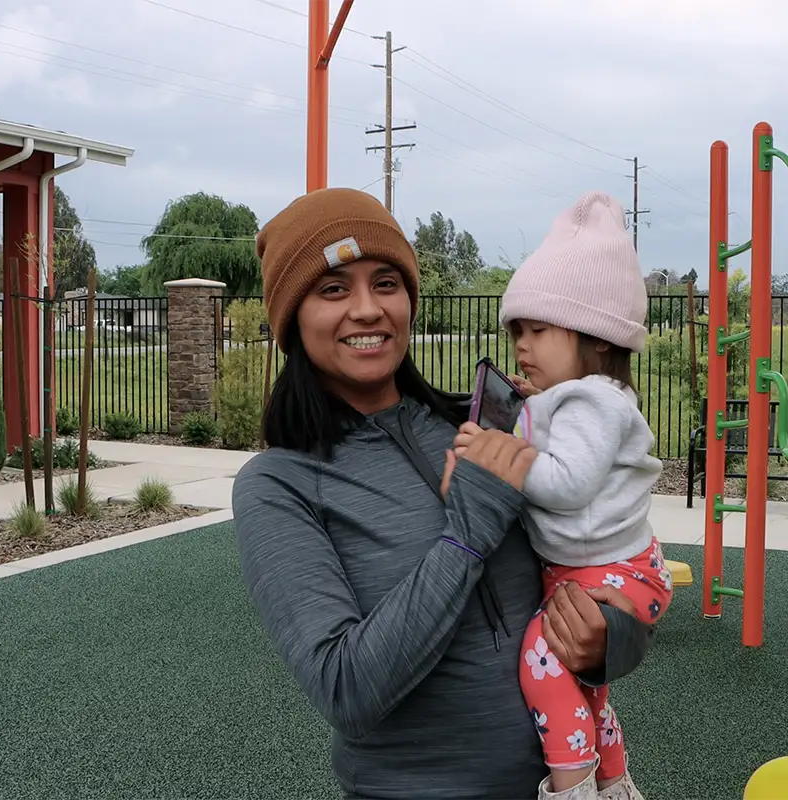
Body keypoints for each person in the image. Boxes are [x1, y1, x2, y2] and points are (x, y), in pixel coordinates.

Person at [232, 187, 654, 800]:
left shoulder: (485, 426)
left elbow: (607, 553)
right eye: (332, 289)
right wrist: (469, 532)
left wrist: (609, 641)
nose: (367, 309)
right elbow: (346, 690)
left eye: (385, 283)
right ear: (292, 318)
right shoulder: (280, 484)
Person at [485, 191, 668, 800]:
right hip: (607, 567)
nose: (521, 346)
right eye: (516, 331)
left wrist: (507, 459)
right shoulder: (571, 398)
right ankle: (615, 783)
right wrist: (527, 410)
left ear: (593, 338)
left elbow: (568, 484)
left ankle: (573, 787)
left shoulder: (593, 400)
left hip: (611, 574)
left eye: (537, 330)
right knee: (587, 691)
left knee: (542, 656)